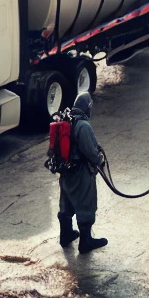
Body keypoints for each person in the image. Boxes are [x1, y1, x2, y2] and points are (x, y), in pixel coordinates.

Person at [58, 93, 108, 254]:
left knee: (66, 202)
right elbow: (91, 152)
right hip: (80, 172)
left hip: (66, 171)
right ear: (87, 107)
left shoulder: (66, 119)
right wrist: (99, 159)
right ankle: (86, 241)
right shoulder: (83, 126)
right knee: (86, 203)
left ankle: (65, 235)